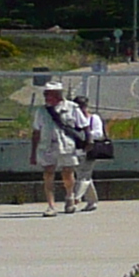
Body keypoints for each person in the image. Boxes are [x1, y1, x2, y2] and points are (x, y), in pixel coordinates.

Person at [29, 80, 89, 216]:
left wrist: (88, 141)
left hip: (67, 146)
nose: (46, 97)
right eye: (45, 94)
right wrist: (33, 153)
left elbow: (85, 125)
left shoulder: (72, 108)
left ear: (57, 94)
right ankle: (51, 205)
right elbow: (36, 132)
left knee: (67, 174)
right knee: (48, 174)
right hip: (47, 146)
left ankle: (69, 197)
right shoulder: (41, 111)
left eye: (48, 94)